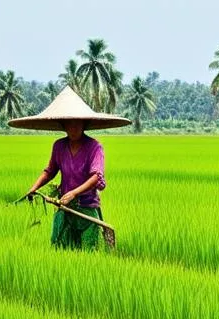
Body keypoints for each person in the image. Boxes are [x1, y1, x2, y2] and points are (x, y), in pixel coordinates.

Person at [8, 87, 130, 250]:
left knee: (88, 249)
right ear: (63, 126)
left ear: (84, 124)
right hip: (64, 207)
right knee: (59, 246)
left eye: (77, 124)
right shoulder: (59, 146)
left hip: (86, 207)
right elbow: (50, 171)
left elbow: (96, 176)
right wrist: (34, 188)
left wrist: (74, 193)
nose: (73, 128)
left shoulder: (94, 147)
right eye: (69, 124)